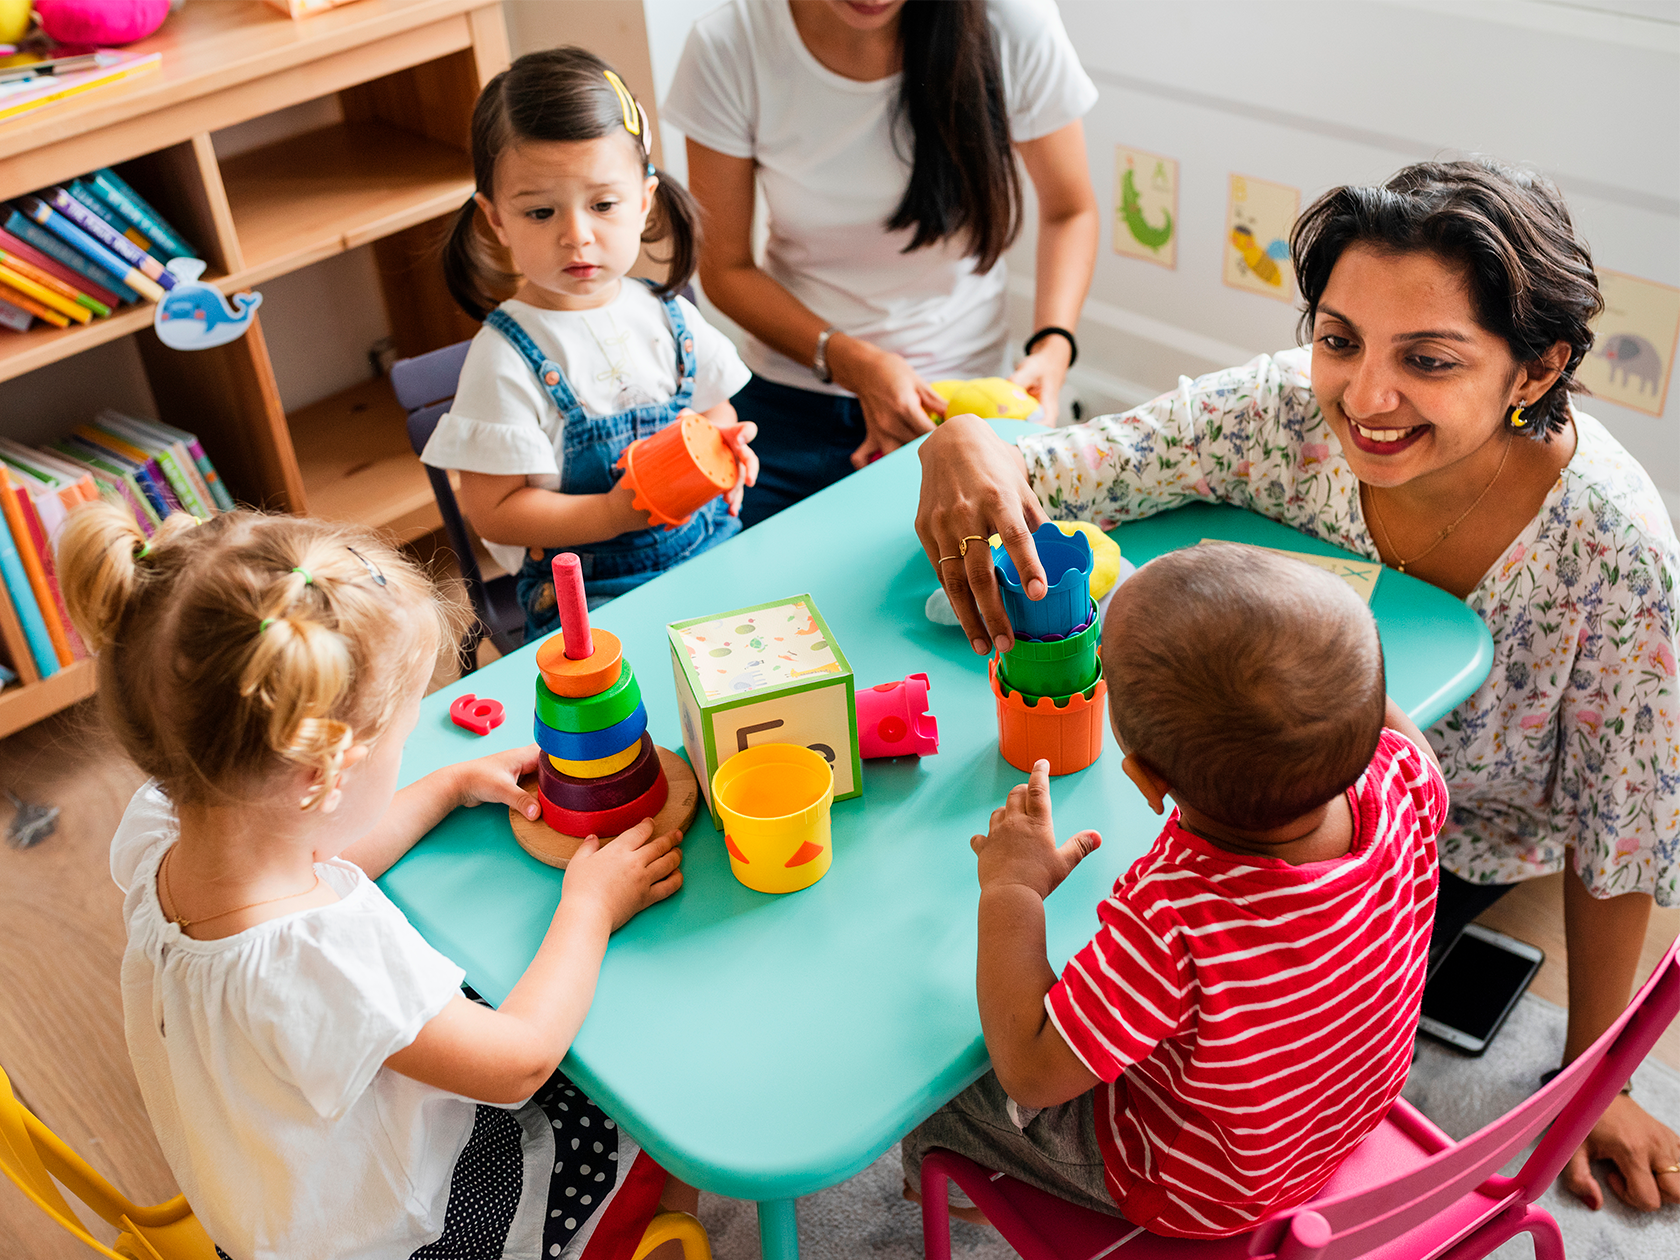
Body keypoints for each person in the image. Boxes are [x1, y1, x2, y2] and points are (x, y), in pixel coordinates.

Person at [914, 158, 1680, 1212]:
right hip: (1300, 809)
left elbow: (1623, 829)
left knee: (977, 1000)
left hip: (1442, 851)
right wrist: (965, 439)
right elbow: (1068, 469)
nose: (1365, 397)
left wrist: (1601, 1075)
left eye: (1430, 359)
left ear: (1535, 371)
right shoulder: (1280, 413)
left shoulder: (1618, 551)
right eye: (1338, 338)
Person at [58, 503, 695, 1260]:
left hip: (274, 1201)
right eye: (401, 741)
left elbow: (320, 862)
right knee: (647, 1113)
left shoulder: (166, 828)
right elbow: (516, 1061)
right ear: (324, 773)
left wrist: (446, 785)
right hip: (396, 1236)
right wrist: (589, 908)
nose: (409, 756)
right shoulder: (320, 961)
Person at [902, 544, 1448, 1237]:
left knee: (942, 1084)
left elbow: (1031, 1070)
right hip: (1340, 1115)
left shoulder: (1174, 916)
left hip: (1201, 1190)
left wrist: (1013, 888)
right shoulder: (1402, 777)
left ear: (1148, 781)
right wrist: (1332, 682)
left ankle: (974, 1194)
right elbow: (1409, 744)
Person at [664, 0, 1099, 525]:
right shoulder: (731, 44)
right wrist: (853, 362)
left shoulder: (1013, 22)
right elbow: (726, 268)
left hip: (961, 403)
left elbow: (1070, 210)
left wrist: (1053, 347)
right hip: (794, 395)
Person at [425, 48, 758, 640]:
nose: (576, 235)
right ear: (496, 219)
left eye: (603, 205)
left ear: (644, 201)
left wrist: (723, 447)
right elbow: (493, 511)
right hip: (593, 596)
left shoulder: (666, 313)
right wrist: (611, 514)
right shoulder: (505, 358)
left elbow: (712, 407)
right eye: (540, 212)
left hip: (711, 546)